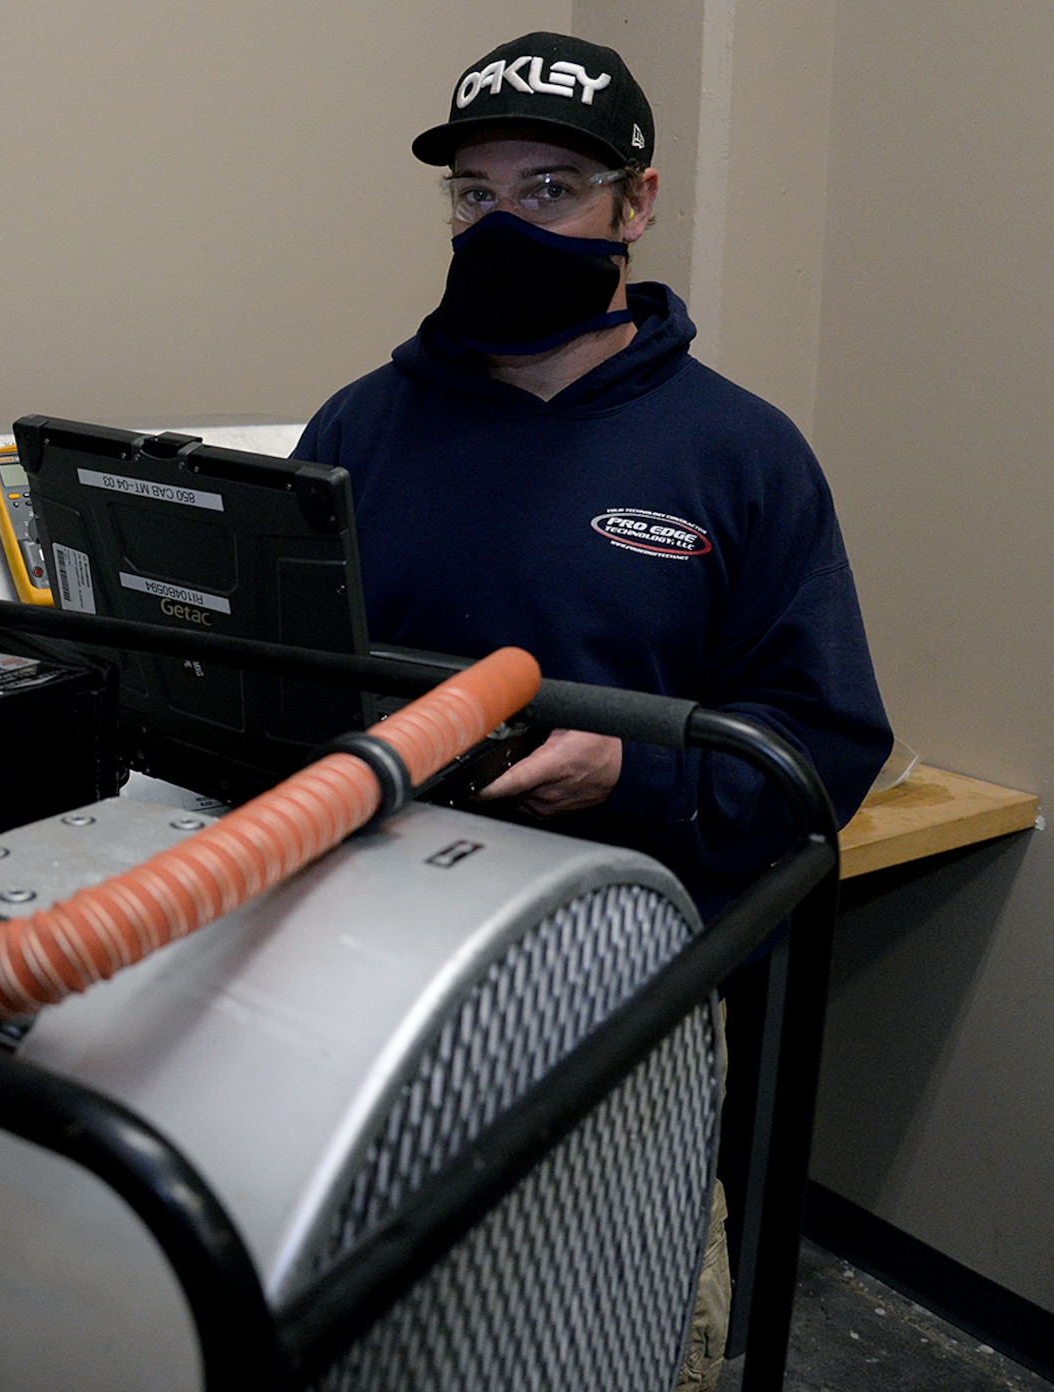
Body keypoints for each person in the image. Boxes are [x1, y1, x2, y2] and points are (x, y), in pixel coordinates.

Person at [290, 31, 894, 1392]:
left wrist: (635, 774)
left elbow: (826, 749)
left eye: (551, 188)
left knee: (606, 1337)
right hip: (367, 975)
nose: (504, 223)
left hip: (626, 993)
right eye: (475, 194)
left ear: (640, 200)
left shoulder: (740, 457)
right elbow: (287, 686)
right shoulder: (358, 428)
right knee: (384, 1331)